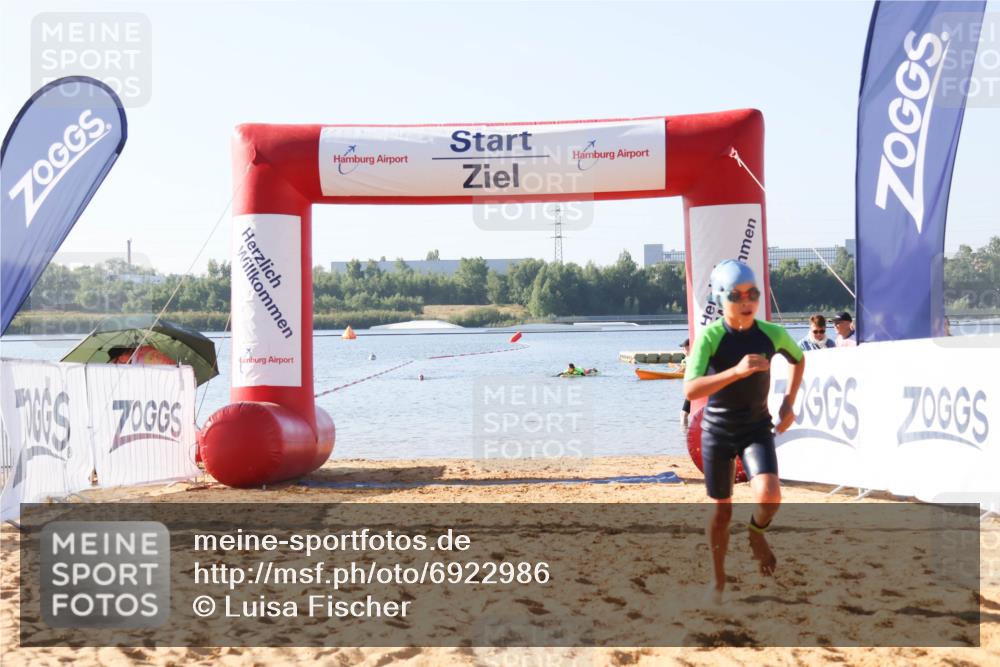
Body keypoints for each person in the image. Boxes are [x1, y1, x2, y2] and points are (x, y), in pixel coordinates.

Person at [683, 260, 805, 604]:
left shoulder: (771, 334)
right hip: (717, 431)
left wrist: (788, 403)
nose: (747, 301)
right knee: (722, 511)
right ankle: (718, 581)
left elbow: (798, 359)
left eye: (753, 293)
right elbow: (690, 389)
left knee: (770, 496)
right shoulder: (711, 337)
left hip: (755, 428)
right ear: (721, 299)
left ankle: (756, 533)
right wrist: (735, 372)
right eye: (737, 296)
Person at [679, 338, 692, 433]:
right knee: (684, 414)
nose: (683, 349)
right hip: (691, 389)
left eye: (684, 347)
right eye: (682, 348)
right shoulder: (686, 359)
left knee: (683, 414)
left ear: (689, 347)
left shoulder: (692, 358)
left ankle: (685, 434)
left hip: (694, 388)